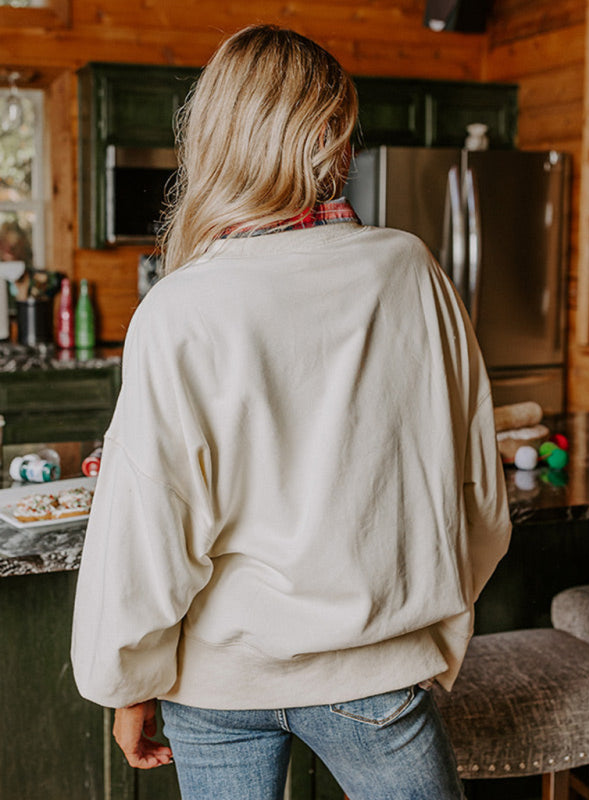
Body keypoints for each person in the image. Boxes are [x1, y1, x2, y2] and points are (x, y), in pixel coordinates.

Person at [71, 25, 511, 800]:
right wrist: (422, 626)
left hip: (215, 683)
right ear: (333, 137)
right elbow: (476, 485)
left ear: (214, 139)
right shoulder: (411, 270)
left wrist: (125, 680)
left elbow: (147, 527)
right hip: (378, 672)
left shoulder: (179, 306)